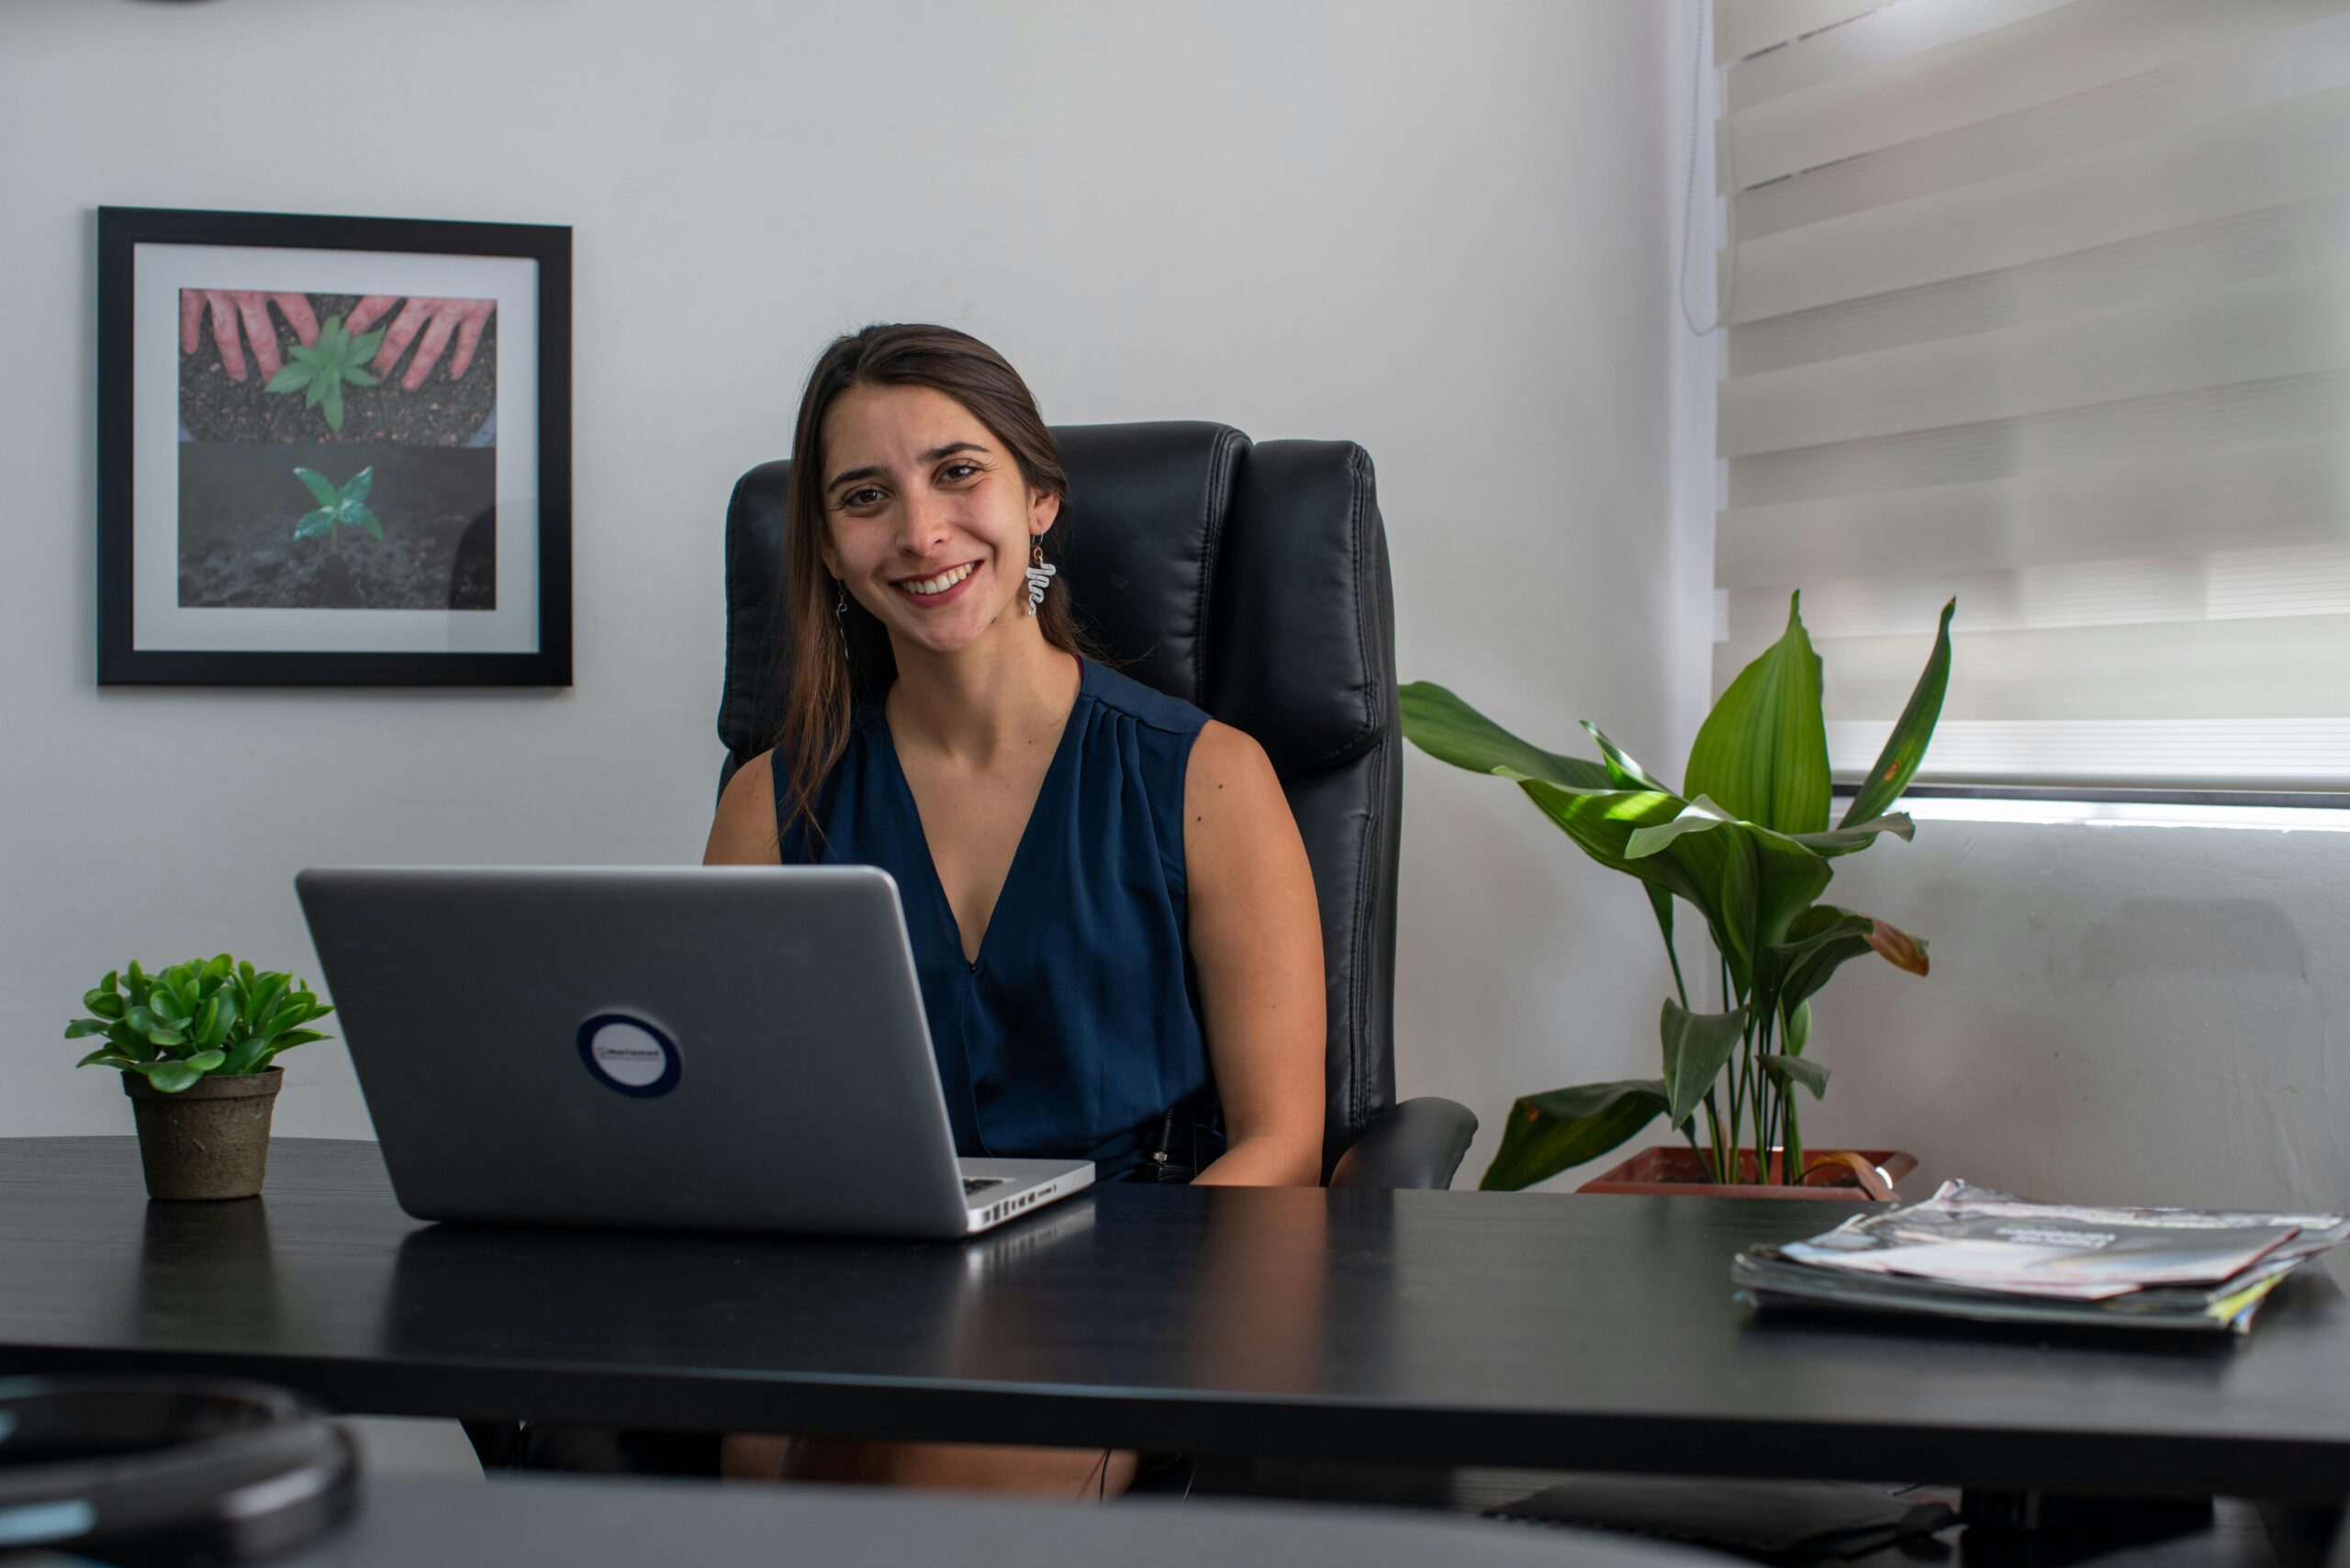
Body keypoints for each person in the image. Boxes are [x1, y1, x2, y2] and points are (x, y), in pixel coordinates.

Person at [700, 323, 1327, 1496]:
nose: (921, 532)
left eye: (957, 472)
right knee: (782, 1442)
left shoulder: (1210, 777)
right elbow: (731, 1130)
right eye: (864, 496)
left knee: (919, 1452)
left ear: (1038, 498)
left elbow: (1283, 1141)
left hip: (1129, 1285)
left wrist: (1120, 1301)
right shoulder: (771, 805)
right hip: (867, 1288)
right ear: (830, 551)